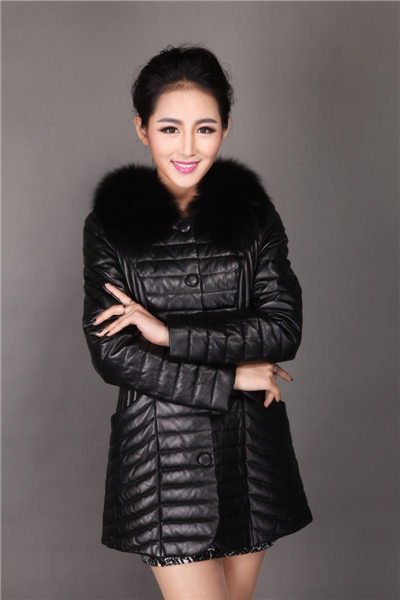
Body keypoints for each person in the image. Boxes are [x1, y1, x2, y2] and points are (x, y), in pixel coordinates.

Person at [82, 44, 313, 600]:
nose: (187, 147)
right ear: (142, 129)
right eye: (169, 128)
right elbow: (114, 354)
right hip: (162, 460)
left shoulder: (256, 218)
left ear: (225, 130)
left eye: (204, 129)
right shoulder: (110, 226)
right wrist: (232, 377)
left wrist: (167, 334)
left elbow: (282, 328)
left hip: (249, 451)